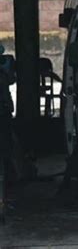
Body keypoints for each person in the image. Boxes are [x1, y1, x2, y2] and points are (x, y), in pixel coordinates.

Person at [0, 44, 15, 217]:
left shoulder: (6, 65)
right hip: (3, 111)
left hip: (3, 112)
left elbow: (11, 79)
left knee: (5, 151)